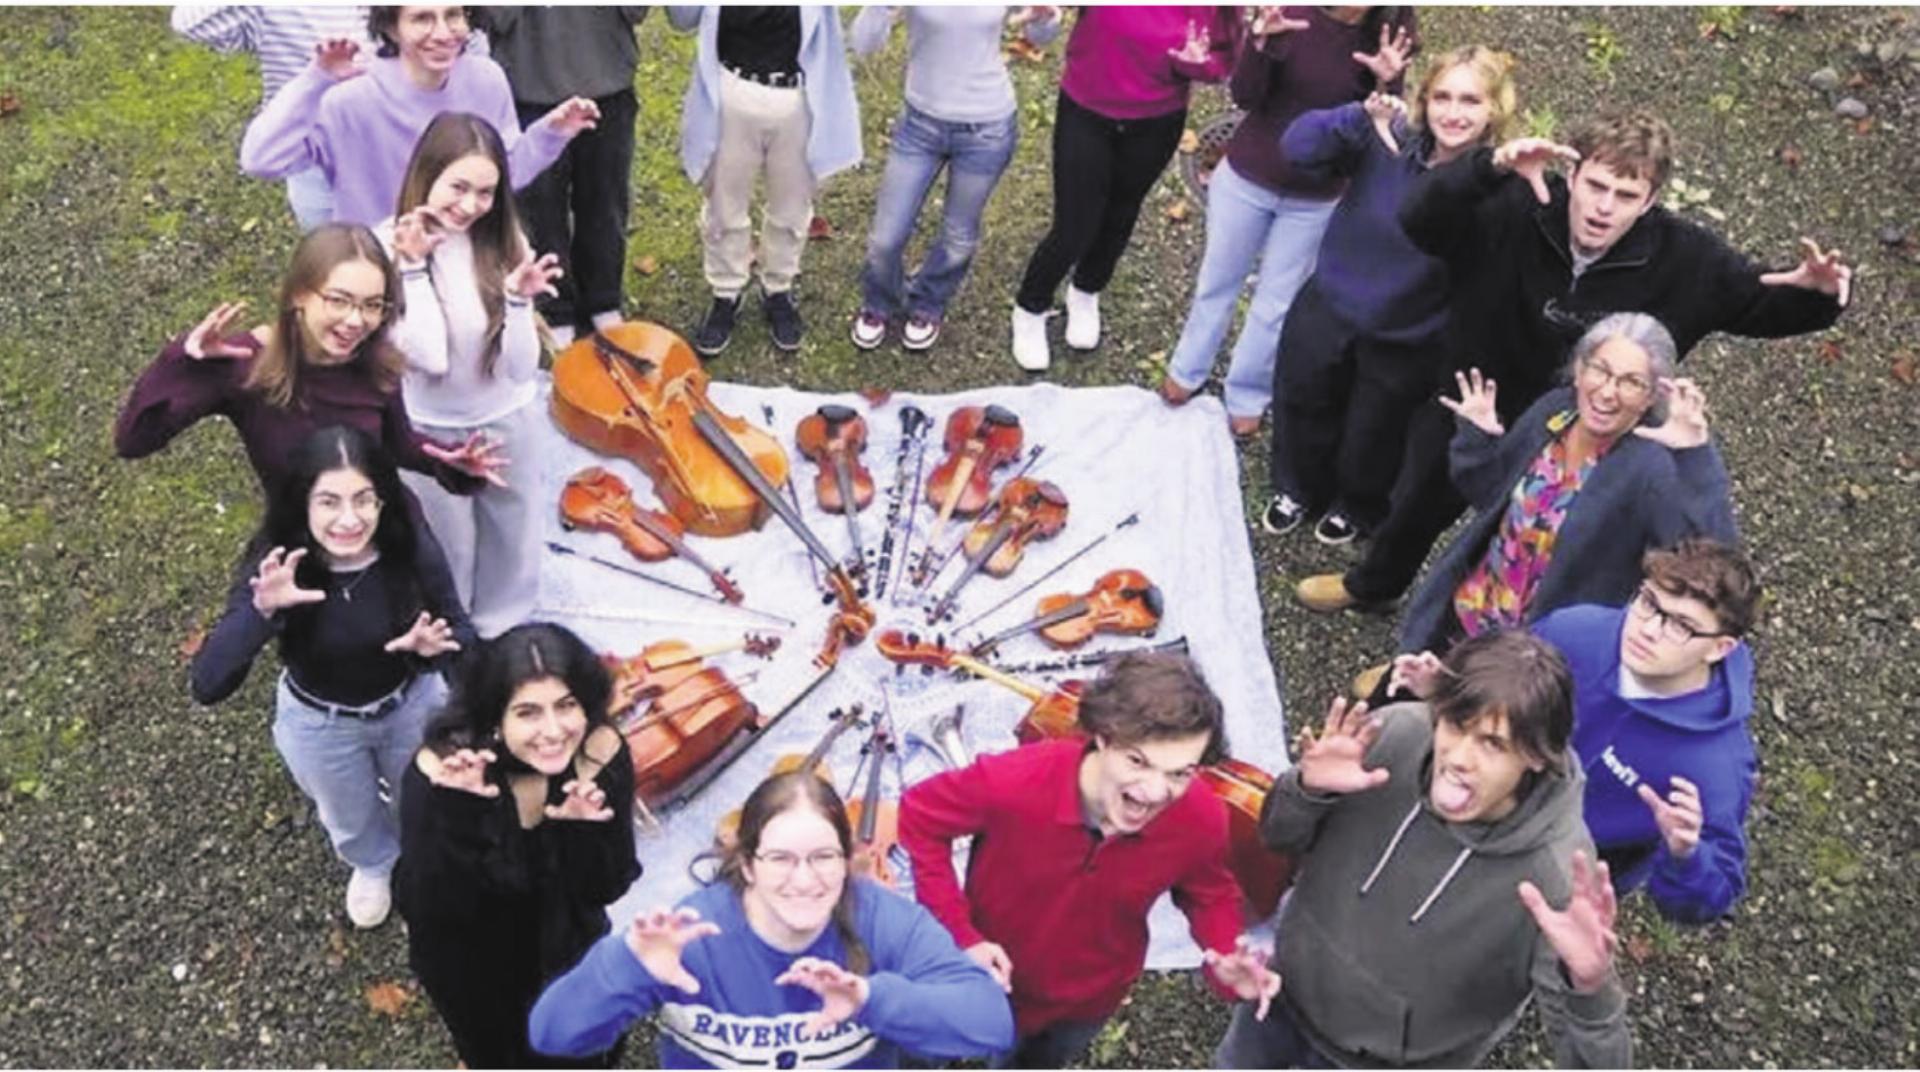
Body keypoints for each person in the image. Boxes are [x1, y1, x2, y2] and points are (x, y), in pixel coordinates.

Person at [1294, 107, 1849, 614]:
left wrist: (1819, 296)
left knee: (1523, 554)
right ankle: (1374, 587)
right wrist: (1486, 167)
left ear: (1651, 200)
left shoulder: (1688, 258)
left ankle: (1451, 648)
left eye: (1626, 195)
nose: (1604, 208)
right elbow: (1420, 219)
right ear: (1573, 176)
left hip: (1587, 436)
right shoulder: (1518, 204)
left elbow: (1760, 303)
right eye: (1596, 186)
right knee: (1415, 500)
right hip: (1475, 396)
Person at [1217, 630, 1631, 1068]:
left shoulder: (1556, 879)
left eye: (1492, 743)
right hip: (1277, 995)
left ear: (1535, 755)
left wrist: (1590, 991)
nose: (1458, 758)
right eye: (1456, 725)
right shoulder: (1392, 734)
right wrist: (1306, 790)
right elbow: (1278, 839)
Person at [897, 652, 1282, 1068]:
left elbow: (1209, 892)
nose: (1155, 792)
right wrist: (959, 935)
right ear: (1102, 736)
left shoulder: (1201, 815)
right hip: (970, 977)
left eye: (1179, 773)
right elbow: (920, 817)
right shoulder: (1014, 781)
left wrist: (1225, 955)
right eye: (1138, 761)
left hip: (1083, 1003)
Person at [526, 770, 1015, 1067]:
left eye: (823, 857)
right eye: (781, 859)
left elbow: (989, 1024)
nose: (804, 881)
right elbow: (554, 1036)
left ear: (847, 861)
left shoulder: (884, 920)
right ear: (747, 864)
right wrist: (628, 969)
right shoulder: (691, 936)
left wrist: (870, 998)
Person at [190, 426, 475, 929]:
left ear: (383, 500)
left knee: (426, 799)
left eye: (364, 499)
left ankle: (427, 860)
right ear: (302, 503)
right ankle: (372, 863)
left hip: (408, 703)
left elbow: (456, 625)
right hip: (322, 721)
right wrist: (261, 612)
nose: (349, 520)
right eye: (328, 502)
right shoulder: (278, 562)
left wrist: (436, 655)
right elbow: (208, 683)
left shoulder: (405, 542)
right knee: (348, 812)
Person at [1399, 537, 1761, 924]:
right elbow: (1506, 688)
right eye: (1649, 602)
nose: (1648, 629)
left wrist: (1686, 856)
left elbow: (1710, 898)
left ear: (1720, 648)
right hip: (1480, 806)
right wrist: (1449, 693)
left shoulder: (1716, 767)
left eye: (1681, 626)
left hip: (1551, 883)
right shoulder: (1574, 631)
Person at [1264, 44, 1514, 542]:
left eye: (1470, 101)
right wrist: (1358, 114)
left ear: (1494, 111)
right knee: (1305, 400)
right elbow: (1297, 146)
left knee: (1374, 432)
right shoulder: (1388, 139)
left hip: (1408, 333)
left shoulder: (1495, 184)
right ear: (1423, 101)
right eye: (1442, 97)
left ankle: (1356, 505)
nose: (1453, 113)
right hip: (1330, 304)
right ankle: (1297, 486)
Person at [1392, 313, 1736, 666]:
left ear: (1651, 397)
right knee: (1396, 701)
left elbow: (1713, 566)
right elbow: (1488, 496)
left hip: (1530, 659)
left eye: (1631, 382)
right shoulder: (1555, 410)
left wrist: (1696, 455)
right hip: (1470, 611)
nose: (1607, 392)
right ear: (1578, 369)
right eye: (1600, 369)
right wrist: (1475, 437)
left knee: (1452, 719)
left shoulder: (1653, 469)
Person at [1162, 5, 1416, 437]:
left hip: (1317, 198)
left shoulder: (1387, 36)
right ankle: (1187, 369)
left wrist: (1388, 82)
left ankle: (1246, 393)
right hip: (1248, 177)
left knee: (1276, 304)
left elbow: (1377, 134)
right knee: (1218, 280)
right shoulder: (1292, 14)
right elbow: (1244, 96)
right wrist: (1261, 44)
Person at [396, 622, 641, 1068]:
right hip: (477, 964)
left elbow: (609, 885)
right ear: (495, 715)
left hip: (569, 944)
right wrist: (459, 816)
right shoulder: (444, 771)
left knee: (586, 1050)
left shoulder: (600, 752)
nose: (552, 731)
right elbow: (428, 908)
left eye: (566, 706)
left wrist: (584, 834)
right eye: (527, 712)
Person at [115, 222, 505, 501]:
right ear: (299, 295)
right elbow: (134, 441)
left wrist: (451, 462)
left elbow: (398, 446)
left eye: (372, 305)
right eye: (339, 300)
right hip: (299, 547)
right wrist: (180, 361)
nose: (356, 321)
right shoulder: (243, 364)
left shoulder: (376, 363)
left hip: (385, 536)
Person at [379, 113, 558, 637]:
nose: (469, 205)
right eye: (457, 186)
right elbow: (429, 358)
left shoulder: (501, 239)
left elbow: (521, 368)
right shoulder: (382, 245)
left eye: (485, 192)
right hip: (428, 430)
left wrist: (519, 303)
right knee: (447, 542)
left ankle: (505, 628)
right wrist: (412, 270)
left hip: (505, 418)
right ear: (425, 174)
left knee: (513, 528)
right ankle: (452, 631)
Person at [1010, 5, 1243, 373]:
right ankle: (1030, 305)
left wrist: (1196, 64)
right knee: (1074, 226)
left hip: (1156, 120)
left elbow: (1225, 61)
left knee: (1121, 212)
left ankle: (1086, 290)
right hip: (1087, 109)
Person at [240, 4, 599, 227]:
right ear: (392, 27)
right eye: (422, 18)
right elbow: (261, 160)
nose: (443, 33)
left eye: (453, 15)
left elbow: (503, 175)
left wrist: (550, 133)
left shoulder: (485, 79)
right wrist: (314, 79)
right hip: (383, 267)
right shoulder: (348, 101)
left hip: (463, 254)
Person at [847, 5, 1062, 354]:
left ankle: (928, 303)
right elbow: (863, 43)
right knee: (885, 238)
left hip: (987, 129)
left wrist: (1045, 18)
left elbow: (1041, 35)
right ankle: (881, 301)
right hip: (919, 125)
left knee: (958, 234)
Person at [667, 5, 862, 356]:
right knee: (724, 204)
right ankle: (726, 292)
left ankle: (778, 288)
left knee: (791, 207)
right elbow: (681, 19)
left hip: (797, 99)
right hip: (733, 93)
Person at [486, 7, 647, 347]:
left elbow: (637, 11)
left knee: (605, 201)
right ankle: (554, 306)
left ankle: (603, 298)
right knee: (540, 210)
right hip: (530, 87)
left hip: (607, 82)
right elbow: (494, 16)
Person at [170, 5, 373, 229]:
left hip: (392, 141)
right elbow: (191, 24)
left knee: (402, 241)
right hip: (309, 153)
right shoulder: (270, 10)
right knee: (332, 247)